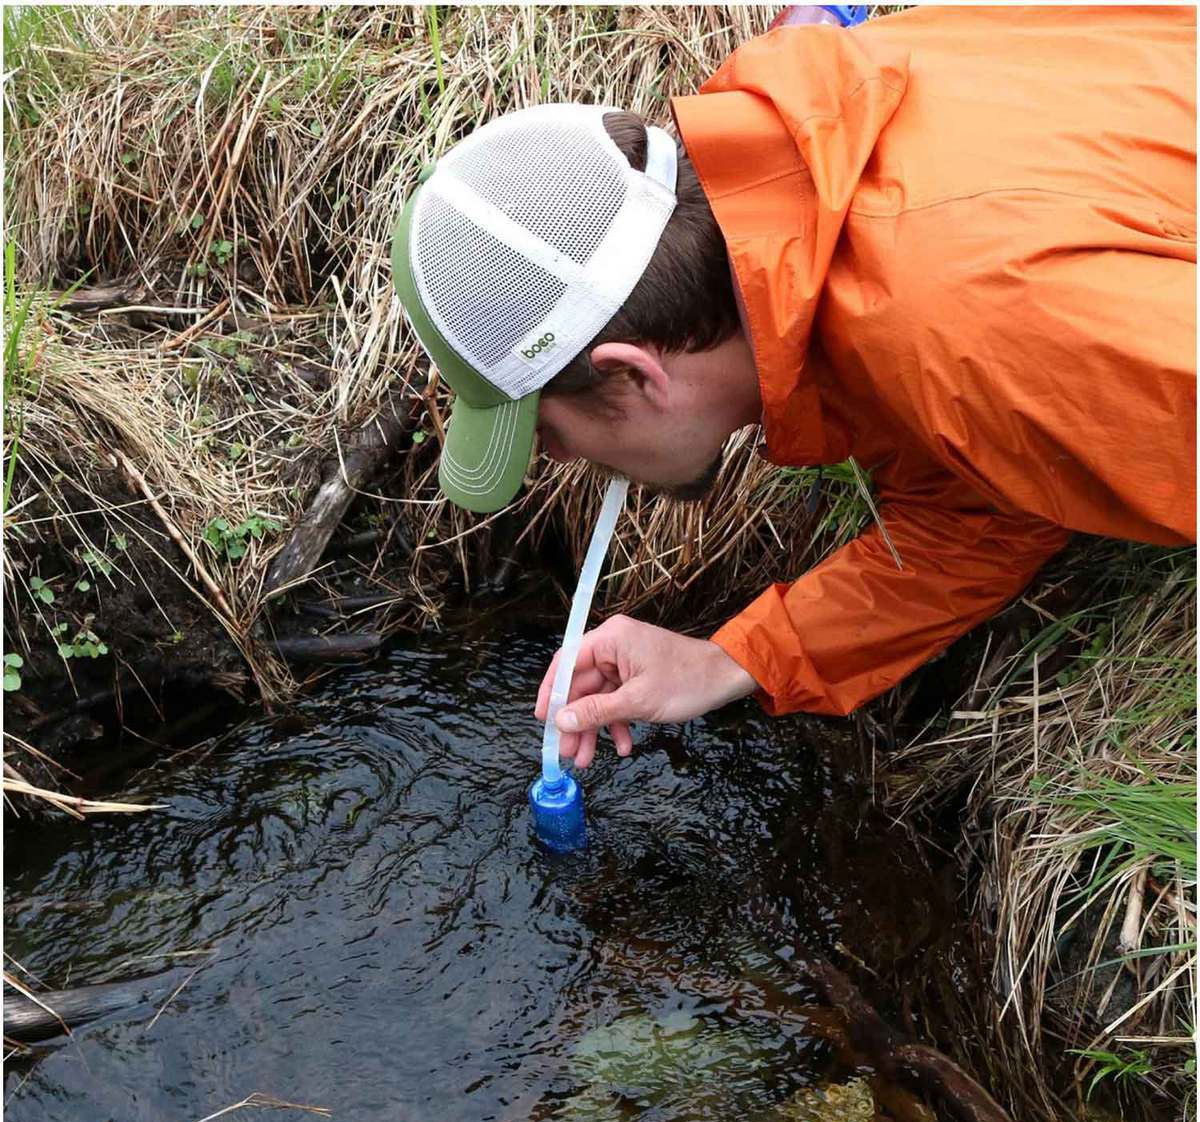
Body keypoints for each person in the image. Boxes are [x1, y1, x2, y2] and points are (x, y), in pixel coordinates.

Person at [392, 5, 1196, 771]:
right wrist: (731, 659)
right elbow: (996, 494)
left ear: (634, 372)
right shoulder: (804, 190)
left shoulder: (974, 331)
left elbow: (1021, 379)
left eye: (549, 435)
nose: (564, 462)